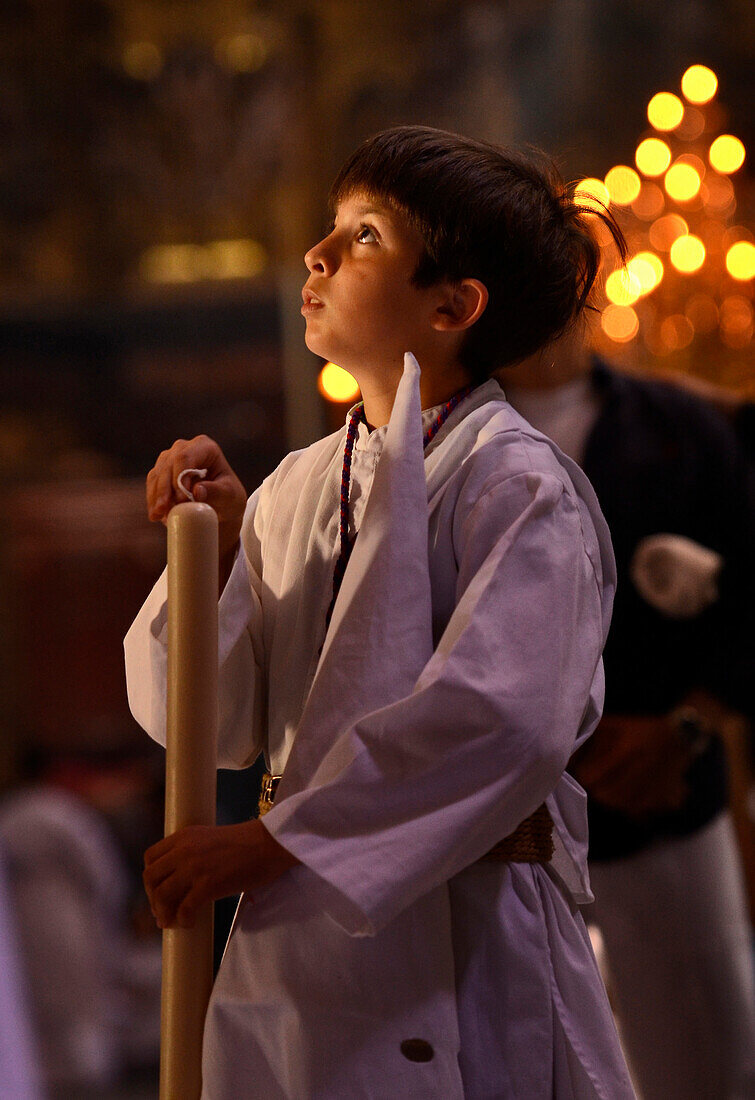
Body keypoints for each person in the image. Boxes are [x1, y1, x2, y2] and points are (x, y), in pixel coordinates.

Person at [125, 126, 635, 1098]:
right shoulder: (294, 486)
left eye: (361, 236)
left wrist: (281, 842)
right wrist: (221, 551)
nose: (316, 254)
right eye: (330, 227)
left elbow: (502, 718)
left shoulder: (515, 485)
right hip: (310, 947)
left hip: (472, 932)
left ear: (452, 303)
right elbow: (217, 723)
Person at [504, 327, 755, 1100]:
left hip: (667, 797)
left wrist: (685, 726)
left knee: (706, 1060)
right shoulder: (437, 441)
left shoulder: (678, 423)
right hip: (507, 822)